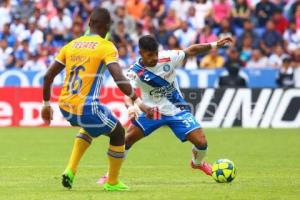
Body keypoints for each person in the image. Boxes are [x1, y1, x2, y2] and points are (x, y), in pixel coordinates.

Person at [41, 8, 153, 192]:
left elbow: (47, 77)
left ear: (89, 23)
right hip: (87, 108)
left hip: (65, 107)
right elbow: (119, 78)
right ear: (107, 26)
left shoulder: (71, 45)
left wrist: (46, 105)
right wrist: (139, 102)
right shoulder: (106, 46)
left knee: (91, 127)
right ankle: (113, 182)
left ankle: (70, 170)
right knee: (117, 133)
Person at [97, 35, 233, 184]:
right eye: (150, 55)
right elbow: (128, 94)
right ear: (141, 53)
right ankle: (110, 174)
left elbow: (191, 50)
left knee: (201, 143)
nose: (155, 57)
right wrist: (130, 108)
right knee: (126, 140)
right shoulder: (134, 71)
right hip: (151, 112)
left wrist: (214, 44)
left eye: (156, 53)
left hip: (177, 109)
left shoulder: (168, 57)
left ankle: (197, 163)